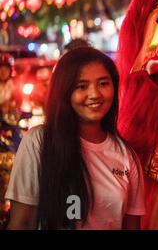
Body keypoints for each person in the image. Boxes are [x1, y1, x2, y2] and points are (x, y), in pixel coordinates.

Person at [5, 47, 145, 229]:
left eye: (103, 83)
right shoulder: (39, 142)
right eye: (81, 86)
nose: (95, 94)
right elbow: (21, 223)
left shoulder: (127, 156)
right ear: (64, 92)